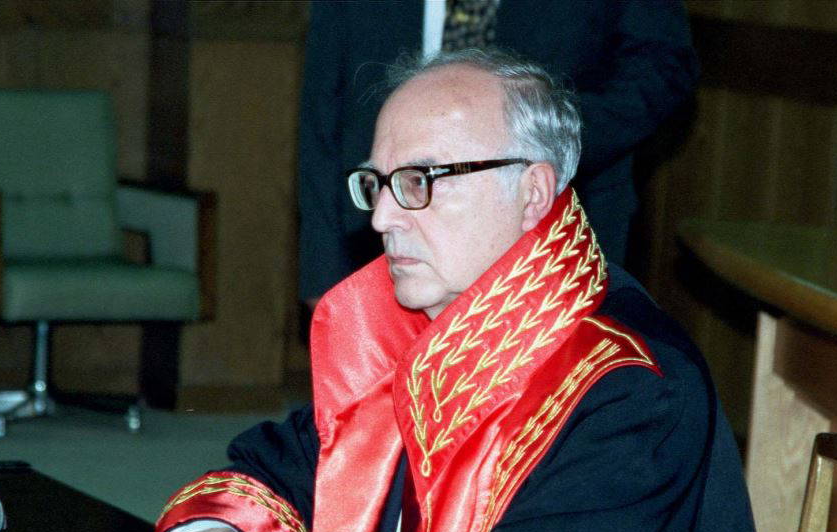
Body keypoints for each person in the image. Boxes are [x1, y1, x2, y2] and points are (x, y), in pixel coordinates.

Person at [135, 50, 816, 532]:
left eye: (421, 182)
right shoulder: (422, 327)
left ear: (533, 192)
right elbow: (281, 463)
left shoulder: (629, 383)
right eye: (377, 184)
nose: (383, 217)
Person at [297, 0, 699, 305]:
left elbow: (662, 64)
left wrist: (544, 136)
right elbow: (321, 106)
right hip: (375, 229)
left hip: (562, 227)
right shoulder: (383, 214)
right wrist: (321, 269)